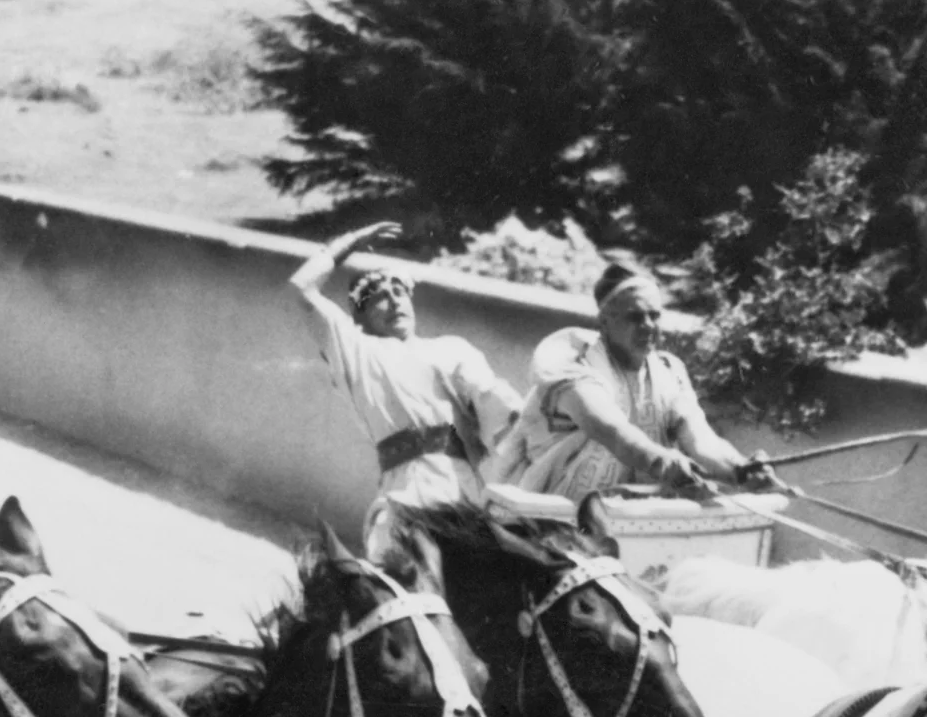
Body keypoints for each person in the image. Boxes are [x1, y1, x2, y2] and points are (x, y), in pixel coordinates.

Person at [289, 220, 520, 538]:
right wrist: (350, 241)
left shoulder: (452, 349)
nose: (394, 300)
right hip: (400, 499)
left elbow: (495, 403)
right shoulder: (357, 351)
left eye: (399, 291)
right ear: (362, 317)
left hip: (460, 488)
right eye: (379, 297)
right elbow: (301, 288)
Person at [492, 262, 776, 501]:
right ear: (604, 322)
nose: (649, 326)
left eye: (654, 316)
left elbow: (700, 440)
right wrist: (664, 462)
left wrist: (740, 469)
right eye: (635, 317)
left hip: (626, 512)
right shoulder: (571, 358)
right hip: (549, 506)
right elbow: (611, 430)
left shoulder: (669, 371)